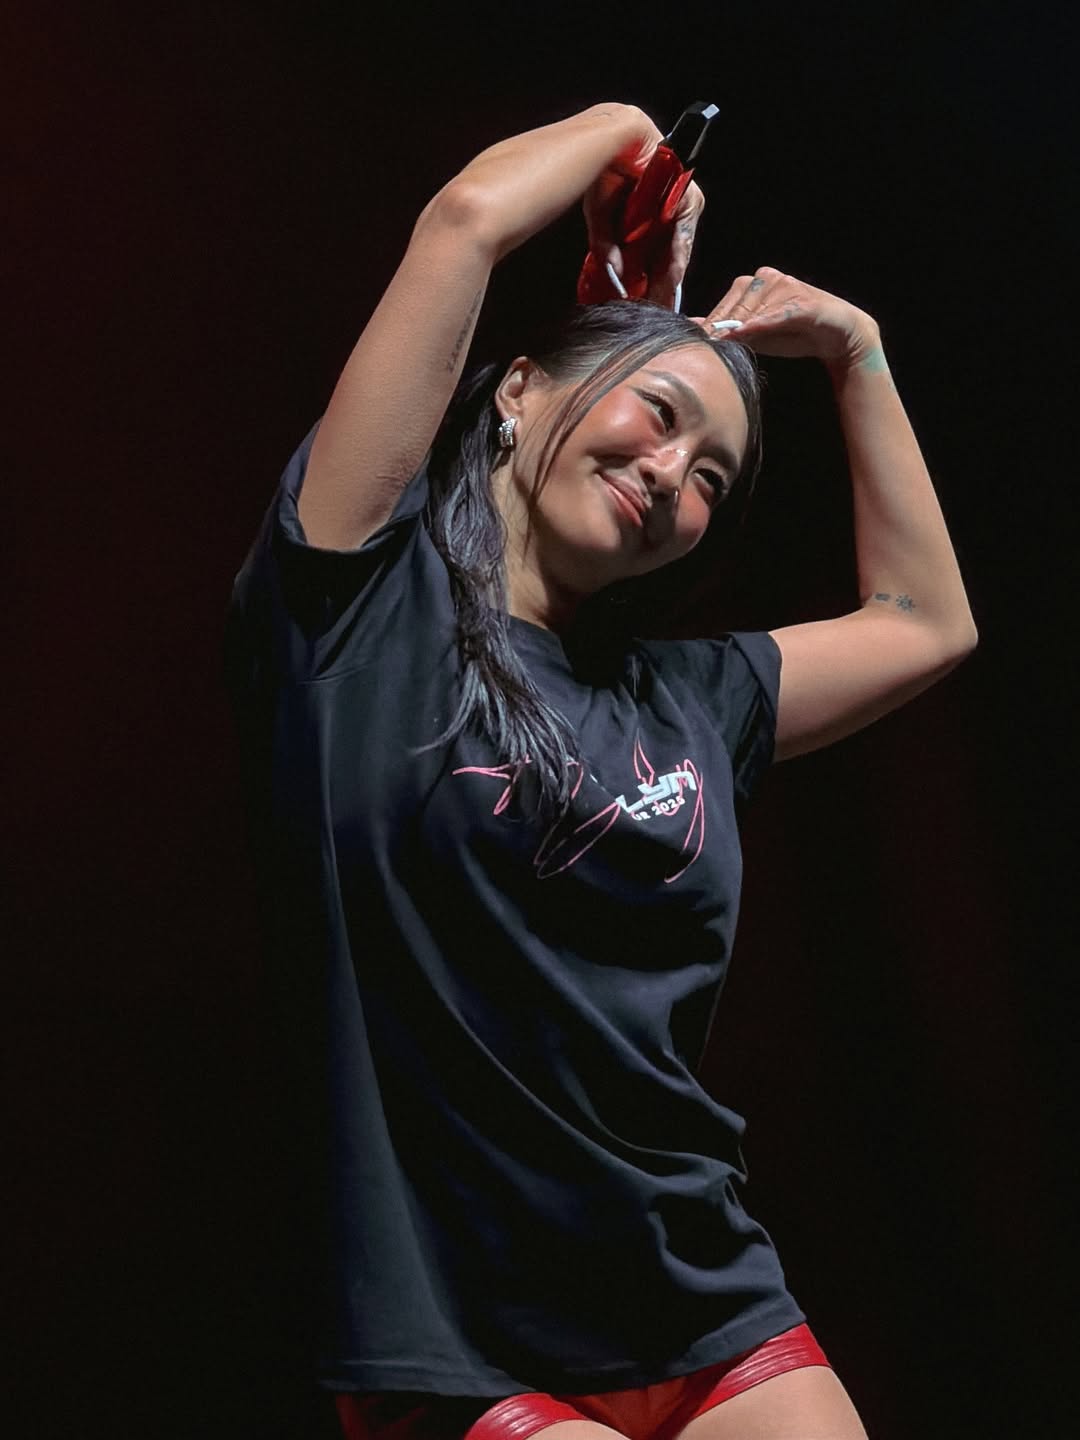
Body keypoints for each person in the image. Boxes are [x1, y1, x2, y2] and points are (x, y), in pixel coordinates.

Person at [224, 102, 976, 1440]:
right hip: (456, 1336)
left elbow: (928, 624)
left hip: (702, 1299)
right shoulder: (355, 610)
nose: (674, 471)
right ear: (519, 391)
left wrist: (854, 350)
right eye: (662, 413)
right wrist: (633, 136)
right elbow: (466, 221)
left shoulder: (689, 698)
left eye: (713, 478)